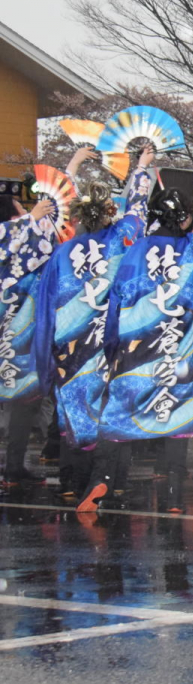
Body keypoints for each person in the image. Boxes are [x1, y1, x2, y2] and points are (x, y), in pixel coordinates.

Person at [78, 151, 193, 513]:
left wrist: (141, 170)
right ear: (185, 218)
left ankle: (101, 480)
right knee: (175, 415)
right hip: (179, 350)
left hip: (134, 350)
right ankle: (171, 493)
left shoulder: (134, 249)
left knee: (119, 412)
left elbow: (133, 210)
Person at [36, 146, 156, 498]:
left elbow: (46, 305)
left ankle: (73, 482)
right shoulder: (120, 241)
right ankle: (110, 481)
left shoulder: (61, 253)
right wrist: (141, 168)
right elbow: (137, 209)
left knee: (72, 409)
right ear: (107, 215)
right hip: (110, 343)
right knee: (109, 410)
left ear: (77, 217)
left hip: (69, 345)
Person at [0, 195, 59, 487]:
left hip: (19, 333)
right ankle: (12, 466)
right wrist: (30, 217)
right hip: (14, 331)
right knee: (21, 402)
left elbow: (49, 232)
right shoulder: (10, 235)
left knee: (24, 402)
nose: (27, 211)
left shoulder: (25, 242)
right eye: (21, 208)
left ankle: (14, 465)